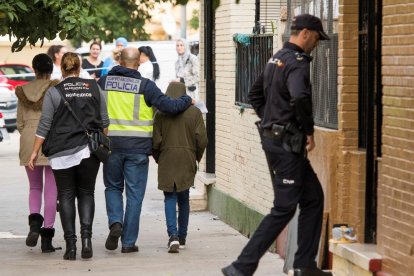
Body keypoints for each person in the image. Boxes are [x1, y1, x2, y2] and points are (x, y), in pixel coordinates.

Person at [222, 14, 332, 276]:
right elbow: (300, 97)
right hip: (286, 146)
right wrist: (307, 130)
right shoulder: (296, 63)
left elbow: (254, 95)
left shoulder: (276, 59)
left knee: (313, 198)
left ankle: (305, 265)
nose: (316, 44)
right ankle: (242, 266)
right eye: (316, 38)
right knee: (284, 208)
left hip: (278, 141)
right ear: (305, 33)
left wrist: (271, 122)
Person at [97, 47, 194, 254]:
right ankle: (128, 243)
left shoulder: (104, 83)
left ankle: (115, 222)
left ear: (120, 61)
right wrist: (187, 99)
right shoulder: (146, 86)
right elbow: (169, 106)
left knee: (113, 187)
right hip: (137, 150)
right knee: (134, 196)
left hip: (110, 147)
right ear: (138, 63)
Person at [28, 52, 109, 261]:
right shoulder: (94, 88)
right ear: (79, 68)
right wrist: (100, 141)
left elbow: (44, 126)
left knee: (65, 195)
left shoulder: (54, 92)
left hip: (61, 153)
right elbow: (105, 122)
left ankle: (71, 246)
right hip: (89, 151)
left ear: (62, 69)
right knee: (86, 193)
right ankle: (87, 241)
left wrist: (35, 151)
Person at [153, 82, 207, 253]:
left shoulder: (160, 114)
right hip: (187, 157)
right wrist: (195, 157)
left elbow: (155, 141)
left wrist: (158, 157)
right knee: (183, 198)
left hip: (167, 158)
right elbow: (202, 140)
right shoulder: (195, 113)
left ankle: (173, 236)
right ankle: (182, 237)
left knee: (169, 197)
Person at [16, 54, 59, 253]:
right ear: (51, 70)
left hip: (27, 139)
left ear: (34, 70)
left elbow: (19, 123)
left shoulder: (22, 91)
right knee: (52, 189)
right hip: (51, 140)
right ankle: (46, 237)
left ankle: (34, 223)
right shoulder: (56, 88)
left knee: (35, 187)